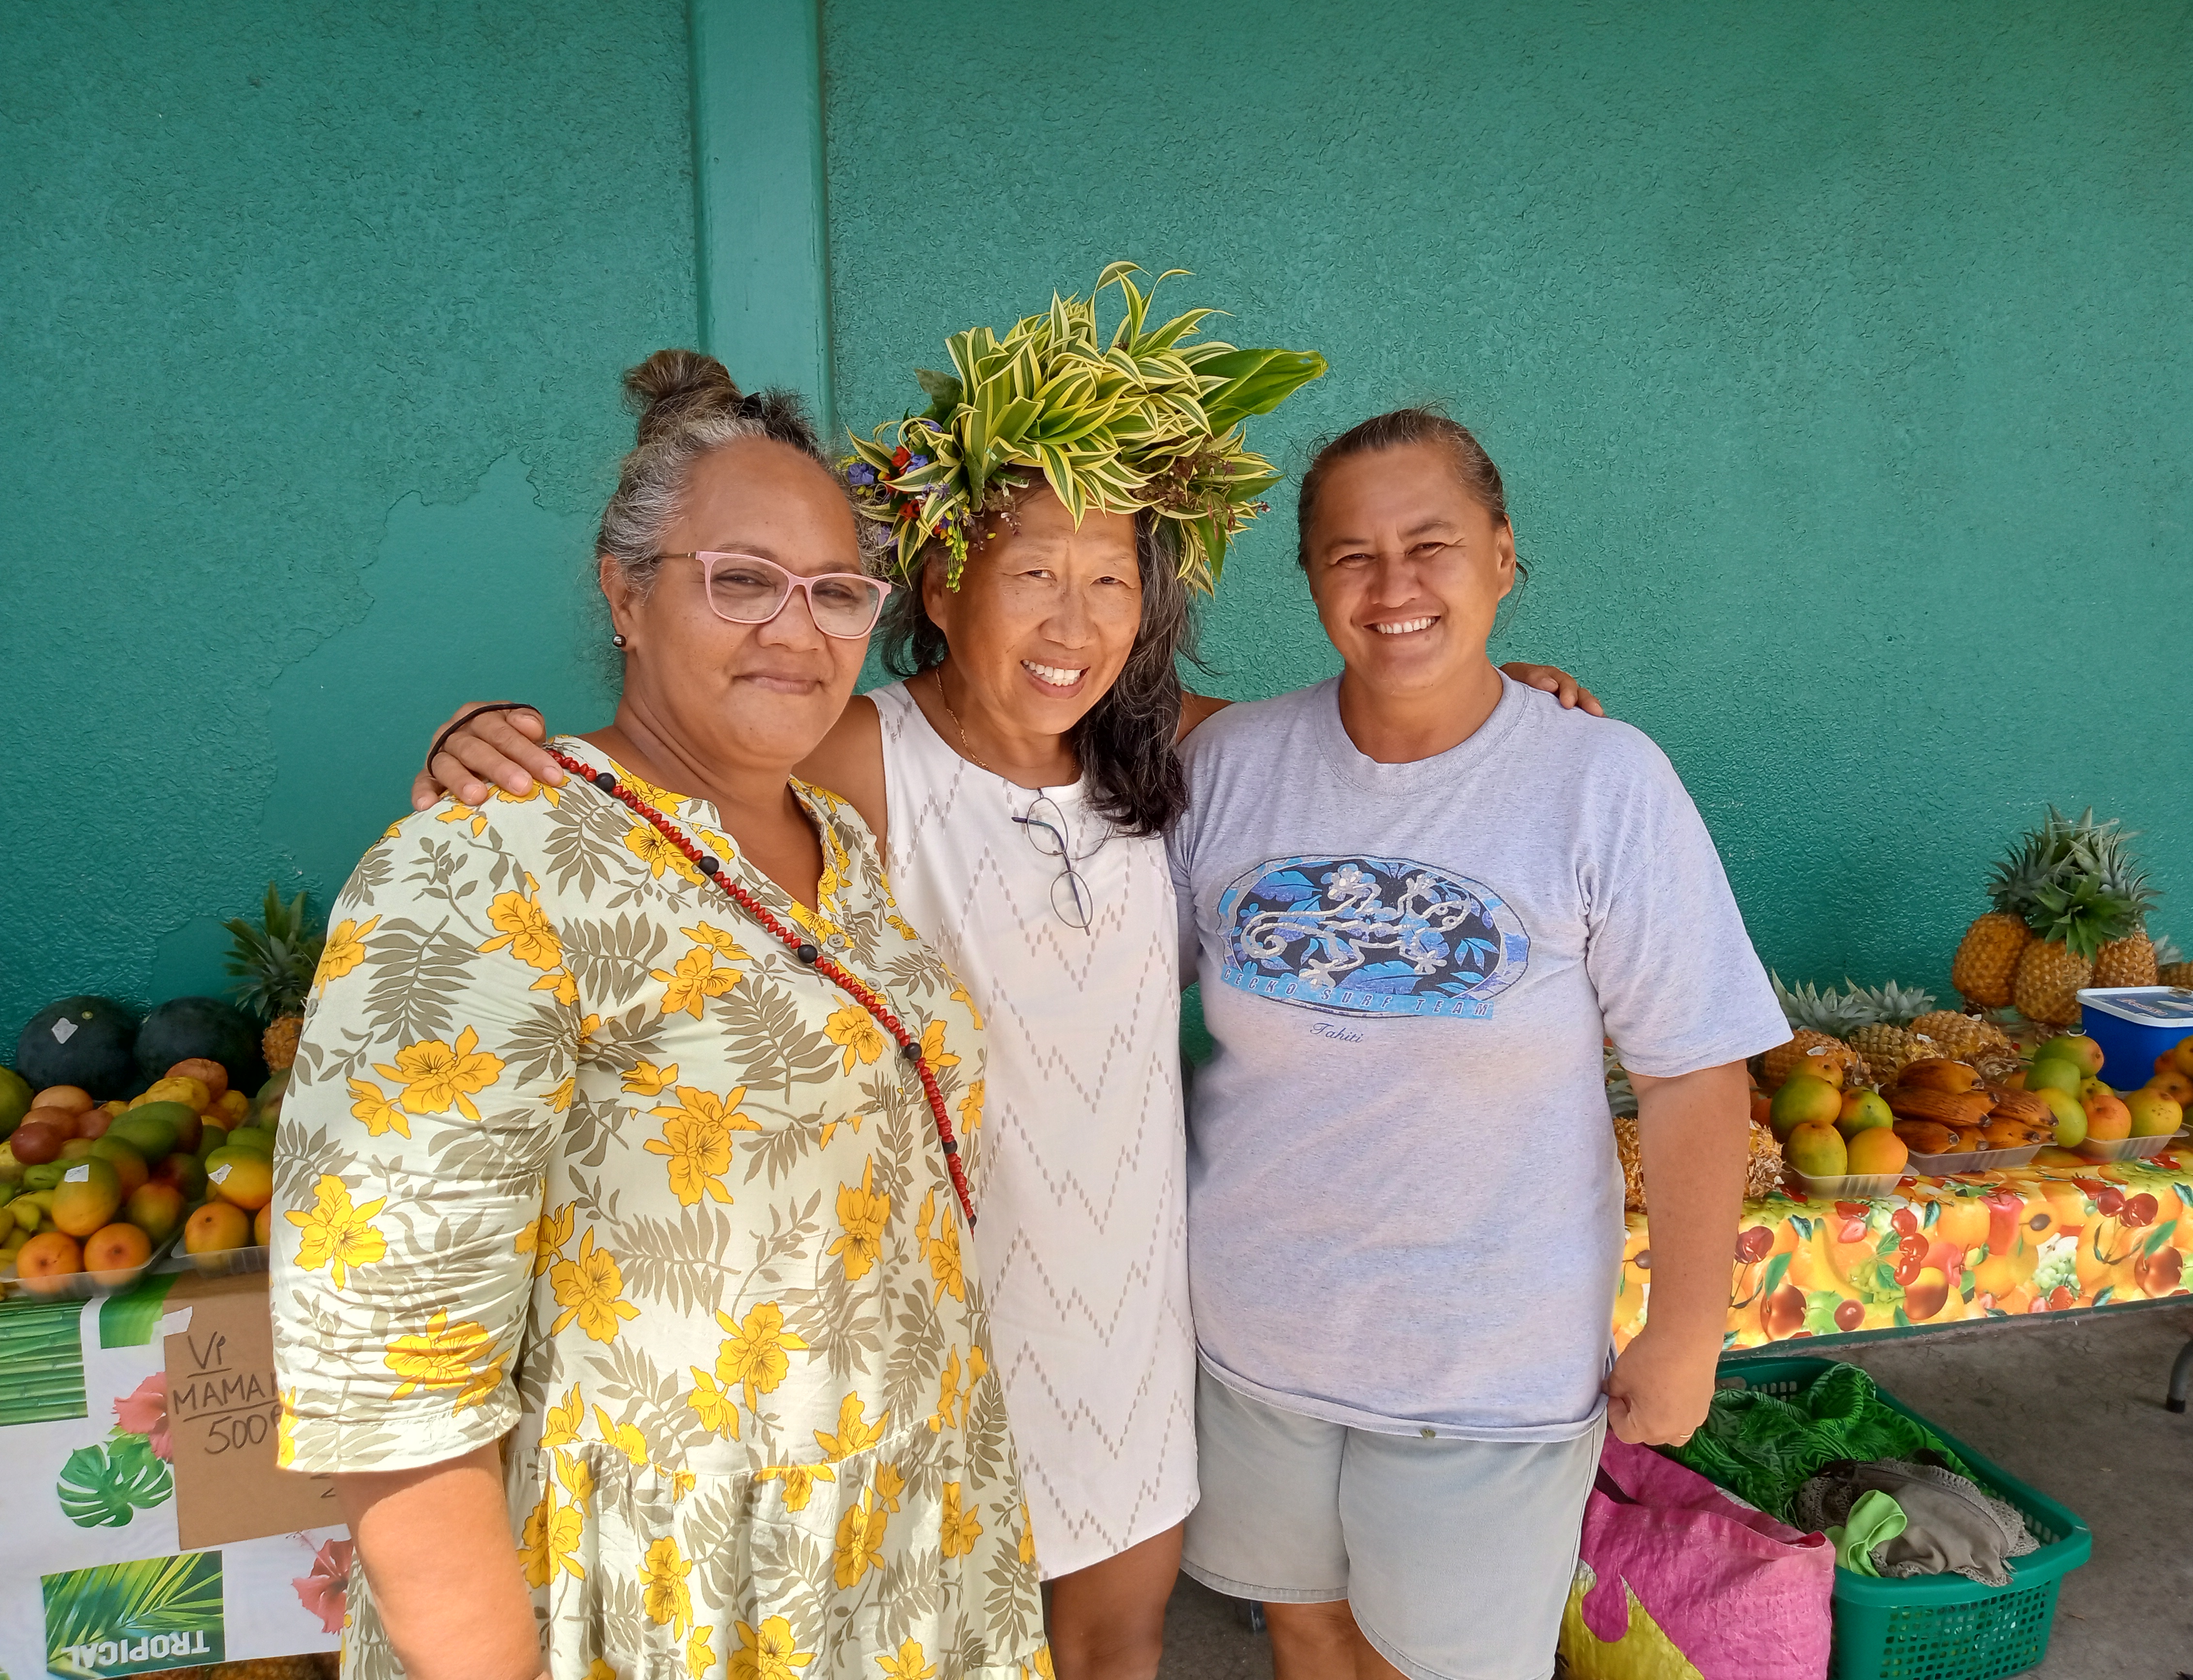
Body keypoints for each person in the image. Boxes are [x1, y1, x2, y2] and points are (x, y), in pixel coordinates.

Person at [404, 268, 1600, 1680]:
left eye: (1110, 584)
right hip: (933, 1312)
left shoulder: (1175, 755)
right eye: (1032, 575)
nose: (1071, 625)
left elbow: (1354, 746)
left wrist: (1495, 702)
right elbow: (678, 761)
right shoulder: (864, 750)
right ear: (941, 583)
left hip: (1130, 1298)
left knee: (1118, 1641)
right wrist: (497, 752)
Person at [268, 356, 1048, 1680]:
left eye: (837, 593)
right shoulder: (485, 863)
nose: (797, 630)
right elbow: (391, 1372)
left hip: (905, 1541)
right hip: (665, 1585)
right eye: (741, 580)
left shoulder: (842, 845)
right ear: (625, 595)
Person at [1168, 408, 1789, 1680]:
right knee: (1307, 1624)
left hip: (1488, 1367)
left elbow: (1692, 1074)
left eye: (1432, 546)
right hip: (1251, 1334)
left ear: (1503, 557)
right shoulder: (1231, 764)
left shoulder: (1601, 782)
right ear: (1310, 579)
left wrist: (1688, 1329)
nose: (1393, 586)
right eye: (1351, 555)